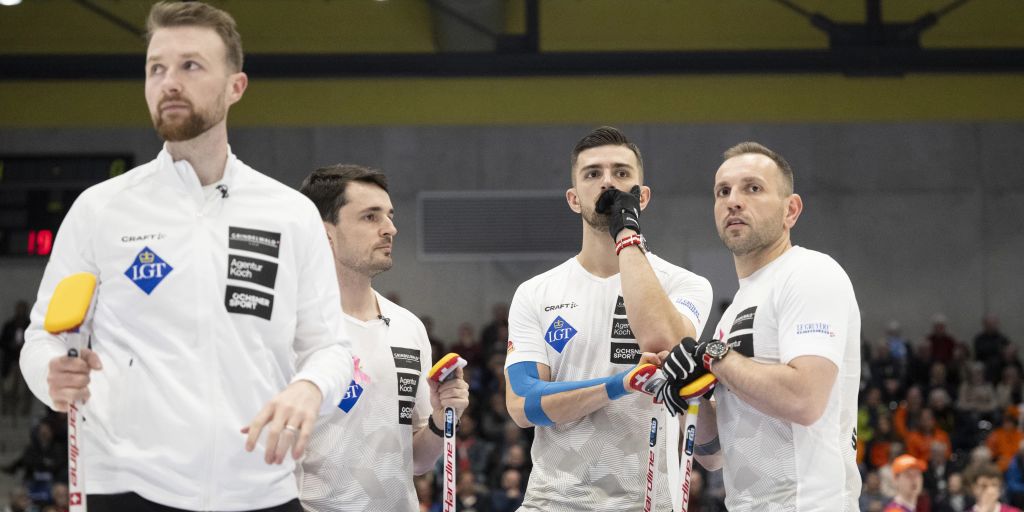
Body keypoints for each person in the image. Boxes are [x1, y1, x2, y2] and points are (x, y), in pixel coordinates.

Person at [18, 3, 353, 510]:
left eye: (190, 66)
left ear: (236, 86)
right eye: (157, 68)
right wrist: (51, 374)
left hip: (262, 487)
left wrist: (309, 387)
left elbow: (330, 347)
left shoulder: (290, 214)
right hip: (126, 484)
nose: (169, 81)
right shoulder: (101, 209)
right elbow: (43, 337)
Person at [503, 126, 713, 510]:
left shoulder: (686, 284)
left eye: (621, 173)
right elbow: (521, 404)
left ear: (642, 196)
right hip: (553, 500)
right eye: (592, 174)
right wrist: (620, 384)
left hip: (649, 501)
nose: (608, 185)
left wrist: (626, 233)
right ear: (573, 198)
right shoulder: (535, 292)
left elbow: (666, 344)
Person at [659, 142, 862, 510]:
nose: (733, 200)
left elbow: (805, 398)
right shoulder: (733, 312)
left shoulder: (810, 272)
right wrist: (688, 393)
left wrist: (712, 356)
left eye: (752, 188)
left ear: (791, 210)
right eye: (723, 191)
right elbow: (713, 455)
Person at [295, 164, 469, 511]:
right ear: (324, 232)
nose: (390, 229)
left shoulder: (409, 327)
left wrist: (439, 418)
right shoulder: (290, 327)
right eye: (370, 217)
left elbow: (418, 461)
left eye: (388, 215)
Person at [1, 300, 32, 416]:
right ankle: (7, 411)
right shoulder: (9, 325)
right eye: (19, 309)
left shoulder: (30, 326)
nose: (20, 311)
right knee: (8, 388)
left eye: (23, 309)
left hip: (25, 361)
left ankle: (23, 413)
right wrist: (11, 345)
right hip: (11, 361)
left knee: (24, 390)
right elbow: (2, 342)